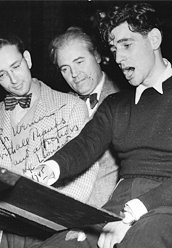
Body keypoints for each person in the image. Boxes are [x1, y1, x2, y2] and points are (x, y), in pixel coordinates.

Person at [25, 3, 172, 248]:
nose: (118, 58)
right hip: (120, 204)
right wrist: (50, 168)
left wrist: (137, 211)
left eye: (127, 45)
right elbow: (86, 144)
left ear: (154, 39)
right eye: (113, 48)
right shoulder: (115, 104)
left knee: (142, 239)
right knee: (60, 245)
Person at [0, 34, 101, 248]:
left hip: (51, 230)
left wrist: (55, 217)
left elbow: (86, 173)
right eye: (2, 75)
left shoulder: (72, 107)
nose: (13, 80)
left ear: (28, 59)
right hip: (1, 232)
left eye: (16, 66)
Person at [49, 26, 121, 207]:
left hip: (103, 211)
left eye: (79, 62)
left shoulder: (124, 102)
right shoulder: (59, 106)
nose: (74, 74)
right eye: (65, 69)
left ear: (96, 56)